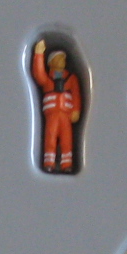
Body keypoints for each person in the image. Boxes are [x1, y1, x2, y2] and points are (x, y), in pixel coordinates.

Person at [31, 39, 82, 173]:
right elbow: (38, 74)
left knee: (67, 139)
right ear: (50, 62)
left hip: (66, 114)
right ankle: (49, 162)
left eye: (63, 59)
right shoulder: (47, 79)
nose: (62, 61)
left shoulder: (71, 78)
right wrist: (39, 54)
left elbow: (76, 95)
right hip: (52, 113)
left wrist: (76, 110)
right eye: (58, 59)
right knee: (50, 137)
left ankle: (67, 164)